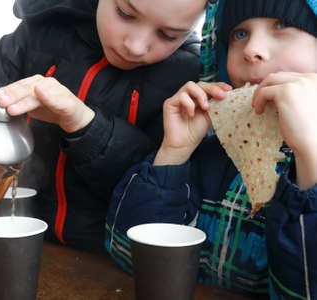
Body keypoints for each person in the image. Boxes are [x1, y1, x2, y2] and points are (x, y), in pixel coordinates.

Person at [0, 0, 208, 252]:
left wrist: (81, 122)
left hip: (111, 263)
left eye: (169, 35)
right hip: (10, 246)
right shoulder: (43, 28)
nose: (136, 46)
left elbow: (158, 188)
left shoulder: (189, 79)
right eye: (125, 13)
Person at [105, 0, 317, 298]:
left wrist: (311, 155)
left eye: (282, 26)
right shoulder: (210, 149)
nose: (251, 49)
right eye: (240, 33)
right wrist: (173, 153)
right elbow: (129, 255)